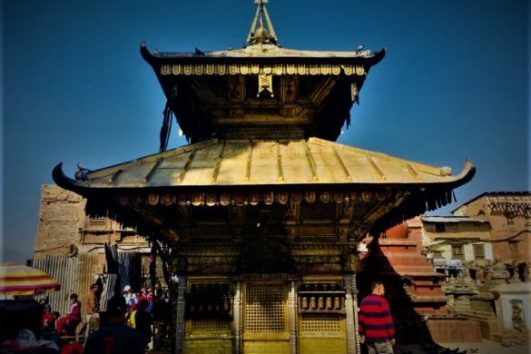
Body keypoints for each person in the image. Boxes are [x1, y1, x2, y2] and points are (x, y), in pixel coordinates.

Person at [358, 281, 395, 354]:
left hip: (369, 339)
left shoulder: (363, 301)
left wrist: (361, 333)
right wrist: (392, 336)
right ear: (379, 289)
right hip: (382, 339)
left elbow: (361, 321)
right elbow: (388, 321)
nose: (384, 291)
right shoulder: (383, 301)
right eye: (383, 289)